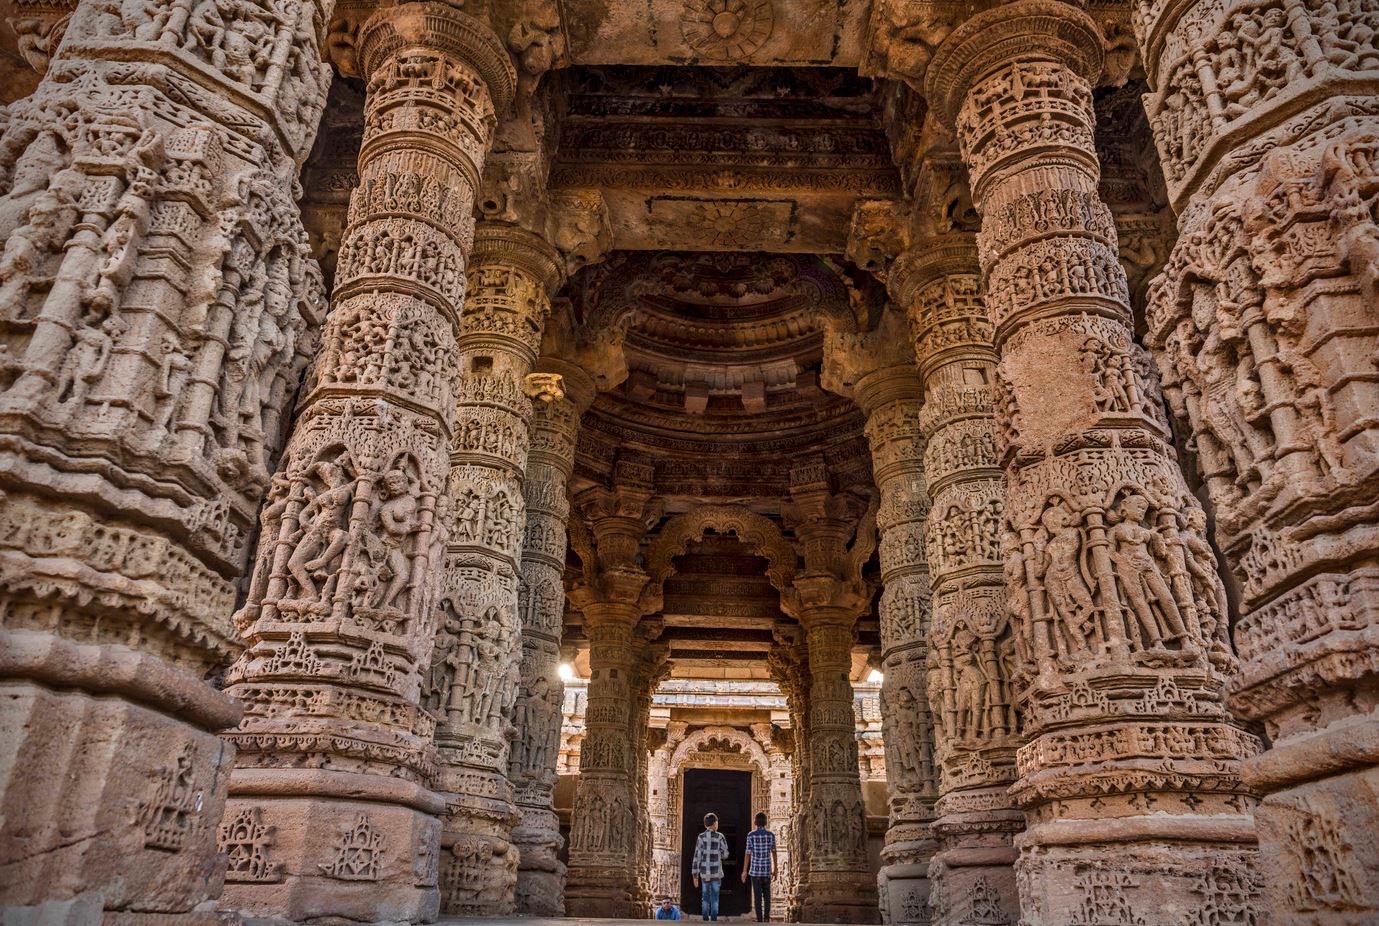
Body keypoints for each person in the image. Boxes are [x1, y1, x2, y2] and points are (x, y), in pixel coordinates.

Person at [691, 812, 730, 922]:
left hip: (704, 873)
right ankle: (713, 920)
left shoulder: (701, 837)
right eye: (717, 822)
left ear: (705, 825)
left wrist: (695, 876)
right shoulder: (720, 836)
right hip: (717, 873)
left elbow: (697, 857)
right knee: (715, 898)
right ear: (714, 824)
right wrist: (719, 855)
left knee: (705, 898)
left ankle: (705, 920)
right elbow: (725, 854)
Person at [741, 811, 778, 922]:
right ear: (766, 822)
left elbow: (748, 853)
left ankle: (759, 919)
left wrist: (744, 871)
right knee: (767, 896)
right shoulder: (770, 835)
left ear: (755, 822)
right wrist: (775, 869)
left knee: (757, 897)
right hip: (766, 870)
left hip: (755, 871)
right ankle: (767, 917)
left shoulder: (751, 835)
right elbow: (774, 852)